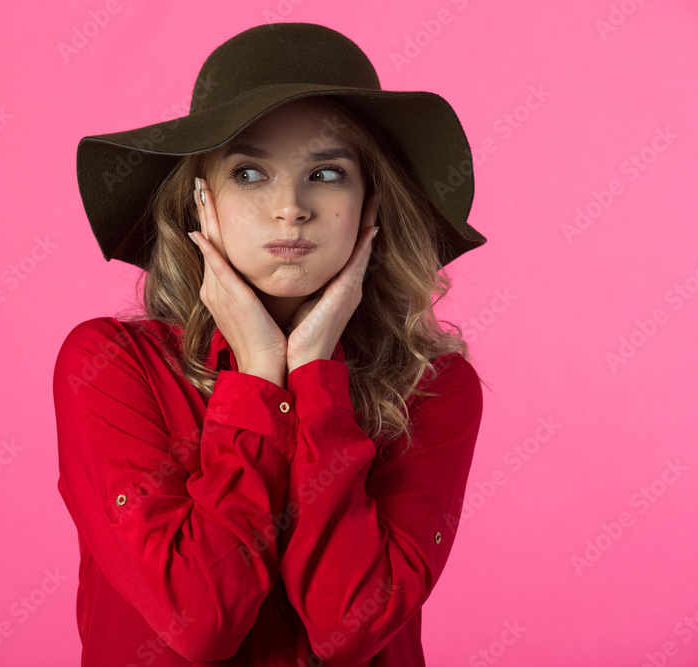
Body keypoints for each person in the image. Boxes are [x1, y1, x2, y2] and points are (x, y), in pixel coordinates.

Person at [55, 22, 488, 666]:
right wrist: (259, 374)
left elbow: (350, 624)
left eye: (327, 172)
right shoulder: (108, 365)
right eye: (251, 172)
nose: (291, 207)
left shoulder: (434, 387)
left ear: (371, 203)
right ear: (201, 201)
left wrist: (314, 374)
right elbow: (199, 620)